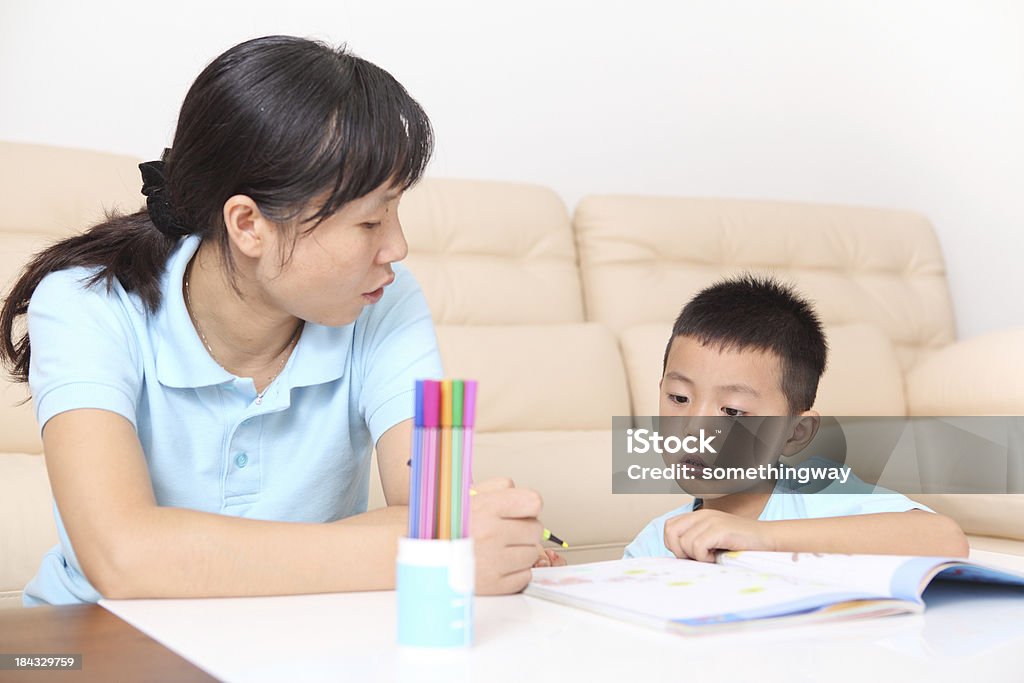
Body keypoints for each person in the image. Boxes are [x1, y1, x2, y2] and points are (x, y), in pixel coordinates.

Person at [0, 35, 547, 606]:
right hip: (100, 643)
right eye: (369, 223)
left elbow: (437, 508)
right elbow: (123, 557)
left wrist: (471, 533)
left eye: (397, 213)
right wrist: (429, 549)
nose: (398, 248)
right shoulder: (85, 304)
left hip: (298, 639)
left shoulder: (385, 299)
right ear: (249, 225)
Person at [623, 275, 969, 561]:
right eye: (679, 398)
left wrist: (763, 536)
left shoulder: (818, 493)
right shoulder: (658, 541)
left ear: (795, 433)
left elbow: (944, 538)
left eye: (732, 411)